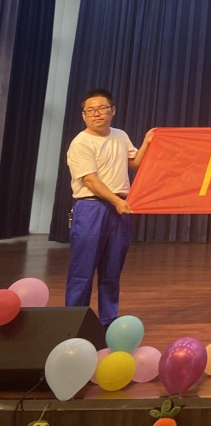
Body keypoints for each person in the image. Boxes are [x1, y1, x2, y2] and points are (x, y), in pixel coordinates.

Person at [65, 89, 154, 327]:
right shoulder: (81, 143)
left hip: (119, 208)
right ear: (84, 115)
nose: (97, 114)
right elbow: (90, 180)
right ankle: (74, 323)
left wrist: (147, 142)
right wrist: (116, 201)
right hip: (91, 208)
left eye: (102, 108)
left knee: (112, 271)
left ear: (112, 110)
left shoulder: (120, 135)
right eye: (91, 110)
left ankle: (108, 322)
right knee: (82, 271)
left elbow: (135, 163)